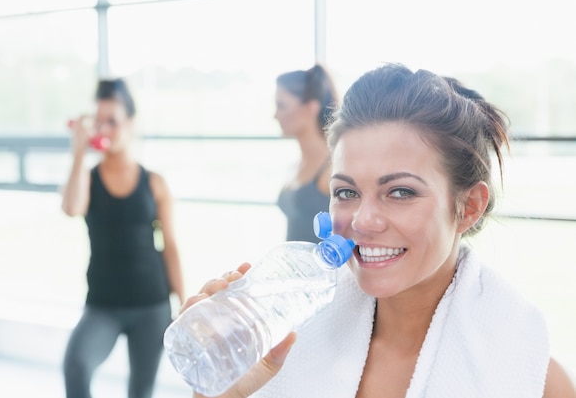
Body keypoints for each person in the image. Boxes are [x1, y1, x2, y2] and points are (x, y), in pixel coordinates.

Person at [184, 63, 576, 397]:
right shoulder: (283, 345)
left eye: (400, 192)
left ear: (468, 206)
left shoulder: (532, 380)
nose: (363, 221)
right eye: (346, 191)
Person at [60, 78, 185, 398]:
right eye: (98, 121)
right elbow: (72, 207)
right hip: (103, 304)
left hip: (152, 304)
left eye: (112, 121)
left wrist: (184, 304)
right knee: (76, 364)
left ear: (130, 123)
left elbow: (169, 246)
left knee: (140, 391)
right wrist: (78, 153)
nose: (103, 129)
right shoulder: (87, 179)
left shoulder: (154, 182)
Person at [275, 64, 339, 243]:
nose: (276, 115)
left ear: (311, 107)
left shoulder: (333, 167)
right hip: (293, 269)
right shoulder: (297, 164)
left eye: (282, 106)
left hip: (323, 270)